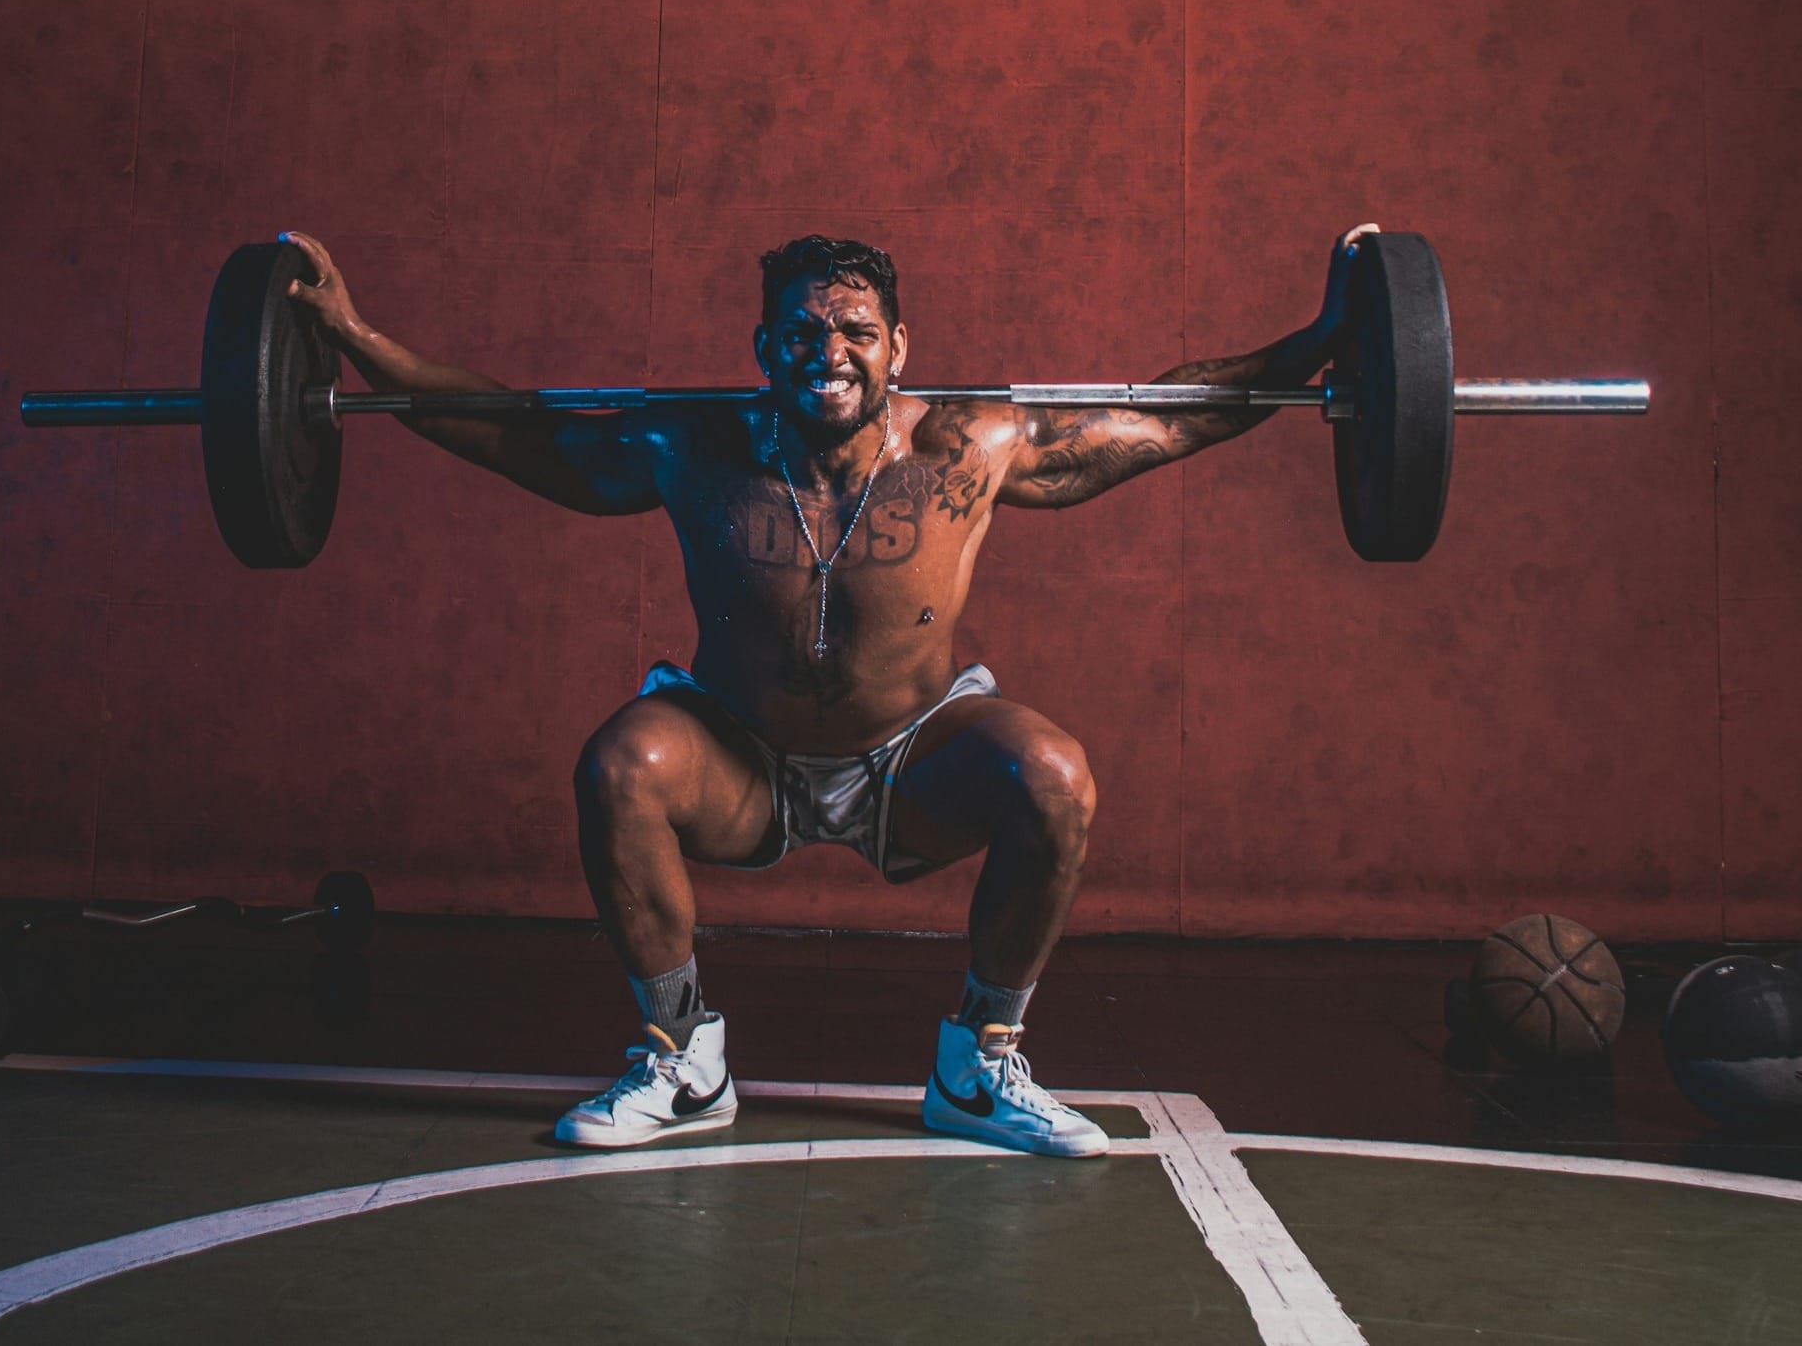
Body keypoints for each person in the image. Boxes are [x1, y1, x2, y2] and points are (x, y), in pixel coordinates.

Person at [281, 222, 1377, 1157]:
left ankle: (977, 1066)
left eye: (856, 331)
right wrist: (351, 338)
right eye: (803, 331)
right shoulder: (693, 445)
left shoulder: (970, 443)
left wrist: (1328, 343)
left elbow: (1170, 416)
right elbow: (513, 429)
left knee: (1052, 775)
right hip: (737, 754)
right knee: (620, 762)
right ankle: (682, 1059)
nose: (830, 351)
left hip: (914, 755)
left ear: (899, 345)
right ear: (763, 346)